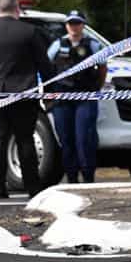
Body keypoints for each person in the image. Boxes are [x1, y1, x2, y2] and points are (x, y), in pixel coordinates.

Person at [0, 0, 57, 198]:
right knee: (25, 139)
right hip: (23, 92)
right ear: (17, 9)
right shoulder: (29, 32)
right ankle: (32, 187)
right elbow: (43, 64)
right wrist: (50, 91)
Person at [47, 10, 107, 184]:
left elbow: (103, 68)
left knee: (84, 139)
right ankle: (72, 178)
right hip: (63, 99)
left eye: (77, 23)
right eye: (71, 23)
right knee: (66, 139)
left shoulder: (93, 45)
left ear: (83, 25)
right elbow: (46, 67)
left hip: (85, 98)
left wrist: (97, 88)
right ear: (66, 25)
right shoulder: (57, 45)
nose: (74, 27)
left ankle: (88, 177)